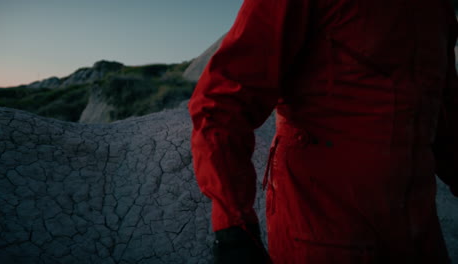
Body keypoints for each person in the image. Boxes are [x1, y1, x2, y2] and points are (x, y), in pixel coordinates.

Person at [188, 0, 458, 263]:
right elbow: (220, 104)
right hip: (325, 236)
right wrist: (234, 229)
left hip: (419, 238)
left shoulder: (438, 7)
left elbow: (444, 116)